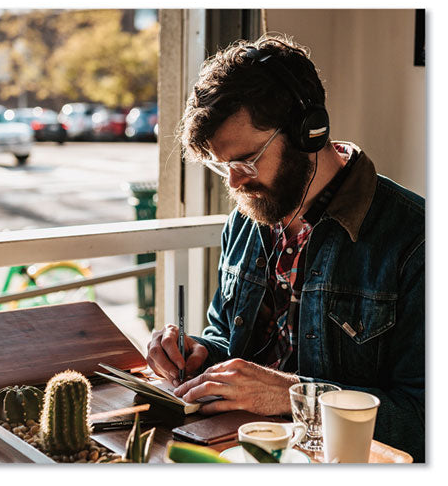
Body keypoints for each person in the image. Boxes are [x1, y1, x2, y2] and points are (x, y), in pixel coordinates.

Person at [146, 35, 425, 462]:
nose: (235, 183)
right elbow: (228, 338)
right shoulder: (248, 216)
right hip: (242, 450)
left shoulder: (417, 238)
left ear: (308, 133)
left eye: (247, 161)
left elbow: (424, 416)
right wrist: (198, 353)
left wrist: (293, 395)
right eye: (223, 166)